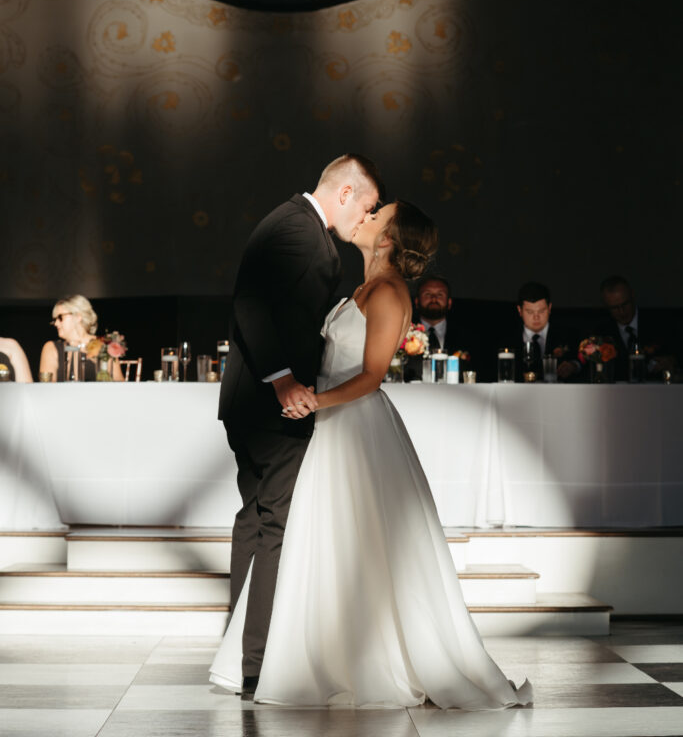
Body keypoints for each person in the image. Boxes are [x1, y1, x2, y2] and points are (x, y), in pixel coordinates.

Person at [211, 200, 532, 710]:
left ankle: (362, 659)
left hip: (355, 427)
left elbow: (371, 377)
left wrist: (315, 401)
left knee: (357, 543)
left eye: (378, 214)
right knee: (321, 540)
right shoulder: (360, 287)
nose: (366, 215)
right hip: (332, 426)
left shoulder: (387, 292)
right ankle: (308, 653)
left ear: (388, 239)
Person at [217, 154, 383, 698]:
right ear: (345, 193)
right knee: (275, 527)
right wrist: (283, 378)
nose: (367, 217)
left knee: (256, 520)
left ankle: (240, 652)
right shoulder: (296, 229)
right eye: (367, 206)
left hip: (254, 405)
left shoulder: (299, 226)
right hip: (272, 406)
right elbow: (250, 302)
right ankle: (257, 663)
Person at [595, 275, 679, 381]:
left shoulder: (660, 324)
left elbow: (677, 352)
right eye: (615, 308)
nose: (622, 312)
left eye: (625, 304)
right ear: (606, 306)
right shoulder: (602, 332)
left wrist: (671, 361)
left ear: (632, 296)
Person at [39, 295, 124, 382]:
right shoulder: (51, 348)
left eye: (60, 317)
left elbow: (119, 384)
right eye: (55, 319)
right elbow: (47, 389)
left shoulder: (104, 345)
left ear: (78, 317)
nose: (56, 323)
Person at [510, 281, 580, 381]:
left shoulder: (567, 334)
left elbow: (582, 361)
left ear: (549, 308)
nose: (536, 317)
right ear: (519, 310)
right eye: (530, 312)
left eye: (541, 311)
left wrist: (573, 366)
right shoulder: (507, 339)